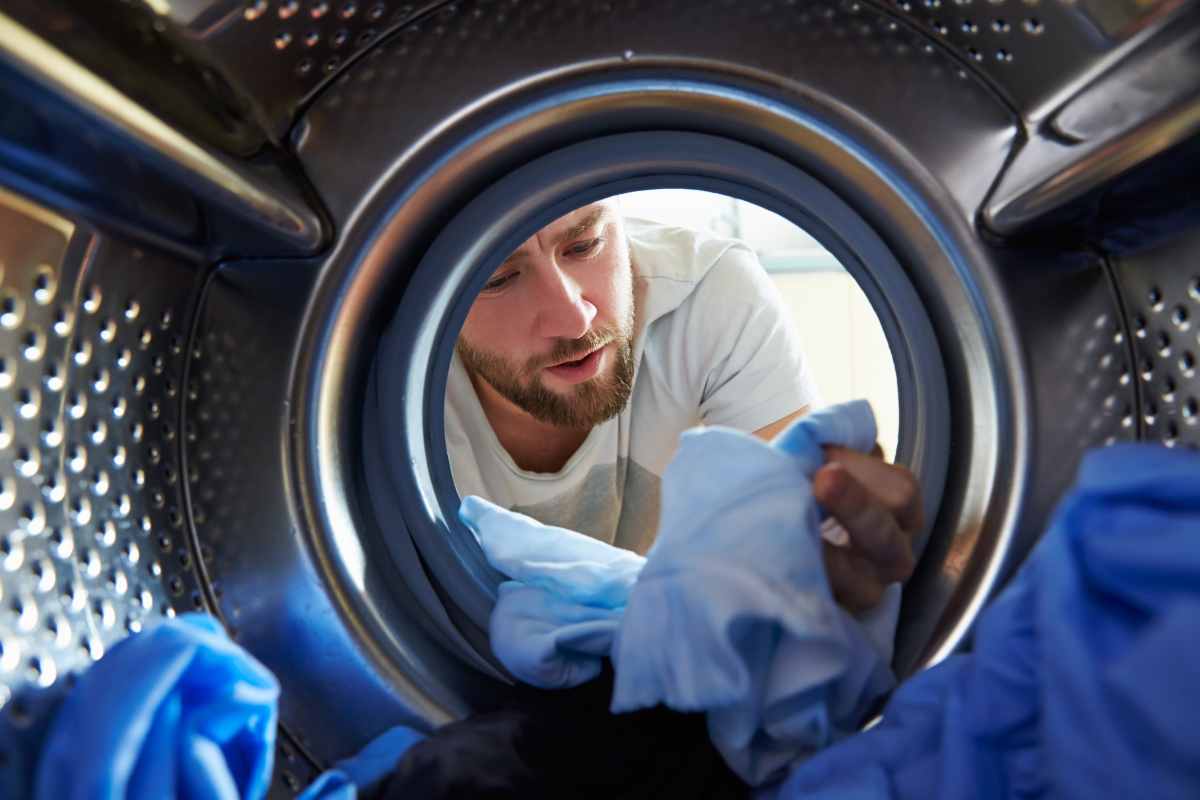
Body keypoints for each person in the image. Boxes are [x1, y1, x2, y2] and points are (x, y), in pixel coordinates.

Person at [445, 197, 919, 611]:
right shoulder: (390, 383)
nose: (574, 319)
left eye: (584, 245)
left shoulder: (710, 295)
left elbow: (795, 546)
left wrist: (833, 551)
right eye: (499, 278)